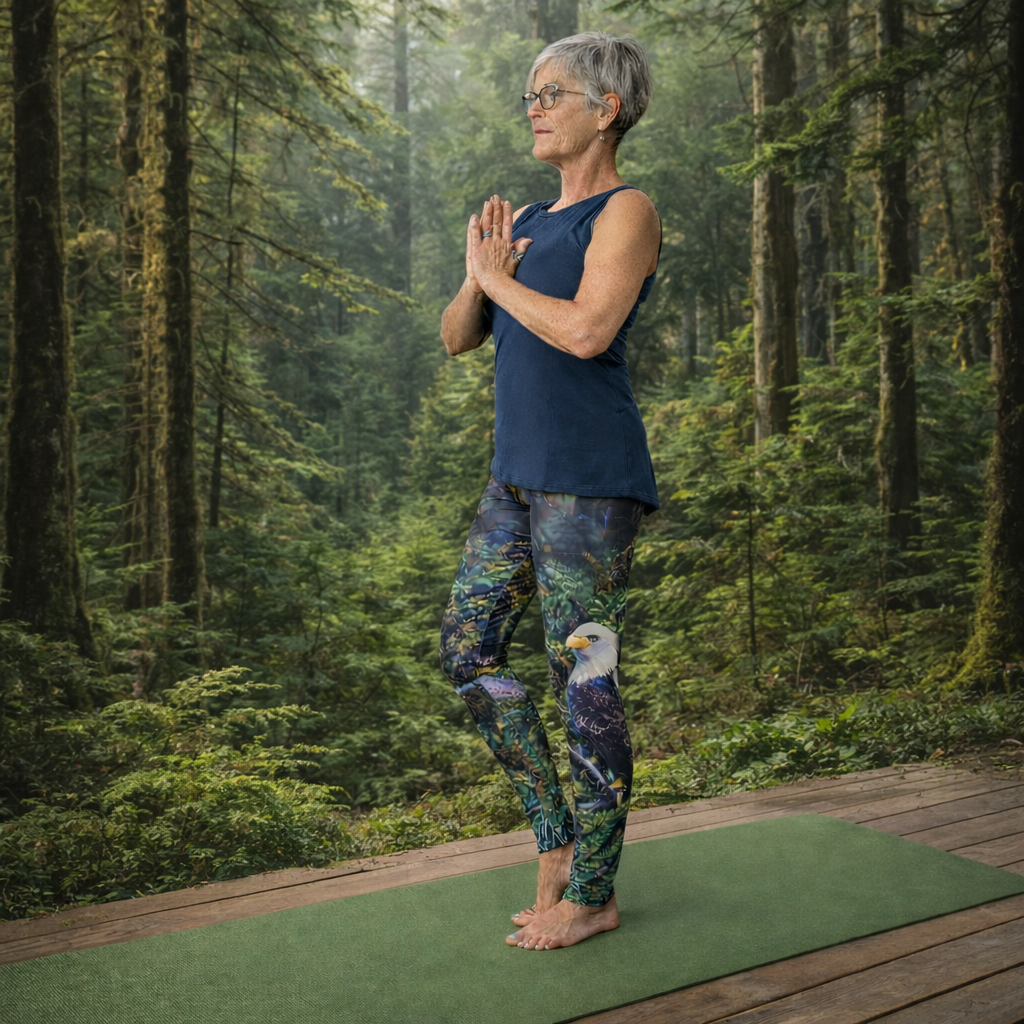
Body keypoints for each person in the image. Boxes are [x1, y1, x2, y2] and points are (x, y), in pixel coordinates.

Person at [437, 31, 660, 952]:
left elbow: (586, 332)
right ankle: (555, 839)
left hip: (590, 485)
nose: (533, 106)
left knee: (585, 681)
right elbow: (458, 337)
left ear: (605, 109)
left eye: (551, 92)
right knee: (466, 651)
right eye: (529, 93)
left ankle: (596, 892)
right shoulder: (524, 218)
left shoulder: (626, 211)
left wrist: (502, 279)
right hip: (515, 483)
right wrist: (477, 274)